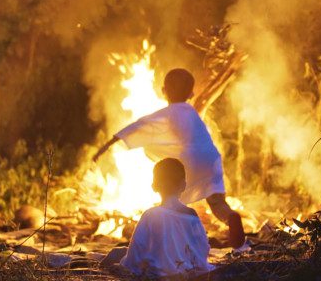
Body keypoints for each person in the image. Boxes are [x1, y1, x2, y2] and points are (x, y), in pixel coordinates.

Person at [93, 68, 246, 249]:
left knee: (171, 197)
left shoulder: (167, 113)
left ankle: (170, 237)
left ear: (163, 90)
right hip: (211, 158)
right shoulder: (192, 113)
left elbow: (141, 125)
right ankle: (230, 217)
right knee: (217, 202)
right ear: (191, 93)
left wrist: (108, 144)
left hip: (189, 160)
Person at [119, 158, 213, 278]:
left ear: (154, 186)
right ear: (183, 186)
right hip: (190, 275)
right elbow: (203, 250)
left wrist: (124, 267)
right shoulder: (192, 215)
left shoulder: (150, 215)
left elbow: (135, 256)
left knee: (116, 257)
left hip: (158, 277)